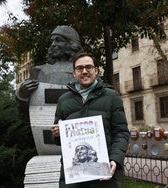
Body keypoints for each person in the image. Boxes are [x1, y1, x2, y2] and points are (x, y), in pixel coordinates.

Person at [51, 52, 130, 188]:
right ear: (74, 73)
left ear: (96, 70)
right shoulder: (63, 101)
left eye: (89, 67)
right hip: (72, 179)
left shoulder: (111, 97)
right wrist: (58, 134)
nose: (85, 71)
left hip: (104, 176)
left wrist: (115, 160)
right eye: (80, 68)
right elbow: (58, 141)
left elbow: (121, 132)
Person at [16, 25, 83, 120]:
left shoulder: (85, 72)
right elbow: (26, 115)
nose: (53, 44)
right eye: (52, 41)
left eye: (58, 40)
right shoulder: (38, 71)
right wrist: (22, 95)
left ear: (71, 44)